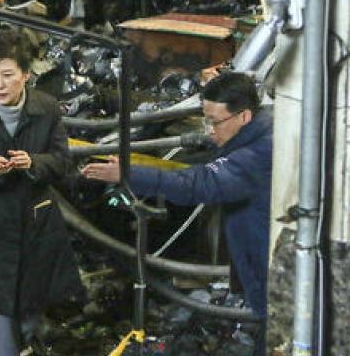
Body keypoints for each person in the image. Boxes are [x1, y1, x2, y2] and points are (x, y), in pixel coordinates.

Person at [81, 72, 271, 354]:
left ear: (244, 117)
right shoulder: (263, 126)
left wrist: (129, 175)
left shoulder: (256, 156)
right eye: (205, 120)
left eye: (215, 122)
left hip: (268, 272)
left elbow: (199, 184)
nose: (208, 129)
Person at [0, 28, 82, 356]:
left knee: (31, 329)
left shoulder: (47, 109)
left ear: (26, 74)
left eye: (8, 75)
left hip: (36, 232)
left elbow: (63, 162)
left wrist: (33, 162)